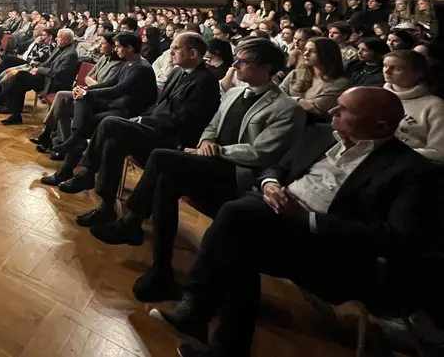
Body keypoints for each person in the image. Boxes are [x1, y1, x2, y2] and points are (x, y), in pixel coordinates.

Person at [149, 87, 444, 357]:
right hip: (274, 220)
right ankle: (218, 337)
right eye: (336, 105)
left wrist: (309, 219)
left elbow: (396, 239)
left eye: (345, 110)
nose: (332, 112)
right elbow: (277, 167)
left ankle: (199, 309)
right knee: (238, 236)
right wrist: (270, 185)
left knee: (235, 224)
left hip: (332, 252)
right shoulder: (320, 134)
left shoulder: (412, 171)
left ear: (380, 126)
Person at [89, 38, 304, 303]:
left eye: (243, 61)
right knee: (166, 178)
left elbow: (263, 152)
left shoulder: (286, 108)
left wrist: (219, 150)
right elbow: (211, 127)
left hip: (238, 175)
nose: (235, 65)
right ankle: (160, 269)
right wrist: (206, 142)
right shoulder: (235, 93)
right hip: (209, 163)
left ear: (266, 67)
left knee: (161, 158)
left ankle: (132, 224)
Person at [58, 32, 221, 226]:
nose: (171, 52)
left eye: (176, 48)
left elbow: (184, 121)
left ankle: (88, 172)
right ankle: (105, 207)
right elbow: (159, 105)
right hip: (155, 127)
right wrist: (143, 119)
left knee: (110, 123)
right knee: (113, 143)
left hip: (173, 139)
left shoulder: (205, 82)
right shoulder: (178, 72)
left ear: (193, 53)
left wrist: (144, 120)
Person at [42, 32, 157, 185]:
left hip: (127, 112)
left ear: (129, 48)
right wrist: (86, 90)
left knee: (85, 120)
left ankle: (71, 152)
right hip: (116, 105)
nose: (115, 49)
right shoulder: (128, 62)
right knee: (82, 105)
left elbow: (118, 90)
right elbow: (111, 83)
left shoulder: (141, 68)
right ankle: (73, 143)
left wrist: (87, 94)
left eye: (118, 46)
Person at [30, 32, 122, 152]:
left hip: (97, 97)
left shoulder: (117, 65)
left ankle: (53, 138)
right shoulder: (104, 58)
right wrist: (91, 83)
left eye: (103, 43)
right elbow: (87, 77)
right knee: (61, 96)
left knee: (63, 104)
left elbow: (103, 86)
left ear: (112, 46)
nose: (100, 45)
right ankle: (53, 136)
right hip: (87, 91)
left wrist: (91, 83)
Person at [0, 28, 79, 126]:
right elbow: (47, 63)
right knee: (20, 80)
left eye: (58, 37)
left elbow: (58, 73)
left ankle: (3, 101)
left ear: (66, 40)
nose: (56, 39)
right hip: (46, 77)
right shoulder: (59, 48)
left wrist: (39, 70)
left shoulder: (71, 54)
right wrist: (36, 68)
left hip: (54, 83)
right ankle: (13, 113)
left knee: (20, 77)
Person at [383, 50, 444, 161]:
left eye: (397, 68)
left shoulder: (435, 105)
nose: (387, 71)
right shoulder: (375, 95)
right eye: (385, 66)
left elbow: (439, 152)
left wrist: (394, 156)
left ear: (418, 73)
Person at [280, 37, 349, 123]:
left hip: (316, 127)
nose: (306, 54)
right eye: (305, 50)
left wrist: (289, 99)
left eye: (312, 51)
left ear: (326, 54)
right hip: (285, 121)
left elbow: (316, 109)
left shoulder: (340, 83)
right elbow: (276, 97)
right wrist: (299, 101)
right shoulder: (295, 74)